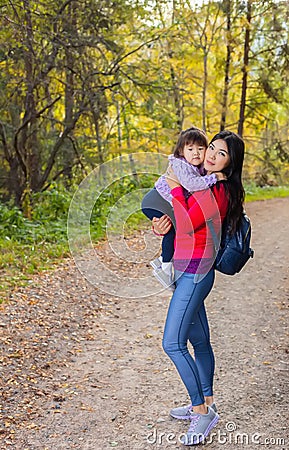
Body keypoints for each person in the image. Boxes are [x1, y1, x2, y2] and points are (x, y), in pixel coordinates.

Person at [152, 130, 245, 445]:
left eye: (221, 154)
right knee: (200, 342)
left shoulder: (219, 188)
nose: (212, 155)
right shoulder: (197, 180)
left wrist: (175, 190)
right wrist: (160, 225)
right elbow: (177, 222)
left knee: (172, 344)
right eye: (212, 148)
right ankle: (209, 399)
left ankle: (201, 412)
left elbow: (190, 220)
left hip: (196, 271)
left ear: (230, 165)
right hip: (184, 266)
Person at [141, 127, 219, 291]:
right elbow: (192, 185)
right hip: (156, 199)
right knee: (173, 230)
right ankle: (166, 268)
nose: (196, 153)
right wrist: (215, 177)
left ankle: (163, 260)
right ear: (181, 151)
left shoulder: (199, 167)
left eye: (200, 148)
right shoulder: (180, 165)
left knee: (174, 229)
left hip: (164, 201)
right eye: (190, 149)